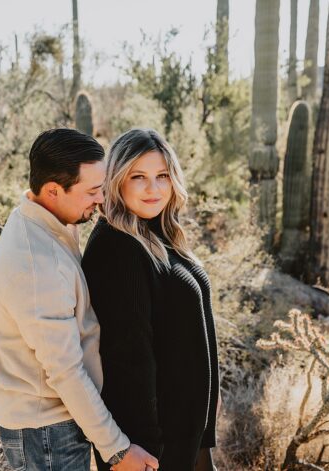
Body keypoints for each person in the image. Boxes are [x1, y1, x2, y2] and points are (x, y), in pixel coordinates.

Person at [0, 128, 159, 471]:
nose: (100, 200)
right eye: (92, 191)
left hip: (51, 423)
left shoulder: (42, 218)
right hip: (47, 430)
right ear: (52, 190)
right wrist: (118, 450)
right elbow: (65, 371)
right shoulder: (38, 265)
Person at [81, 128, 219, 471]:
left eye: (162, 176)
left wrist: (211, 400)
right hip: (153, 447)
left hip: (187, 433)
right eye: (138, 177)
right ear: (117, 181)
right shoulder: (117, 248)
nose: (153, 188)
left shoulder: (159, 233)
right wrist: (134, 449)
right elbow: (127, 359)